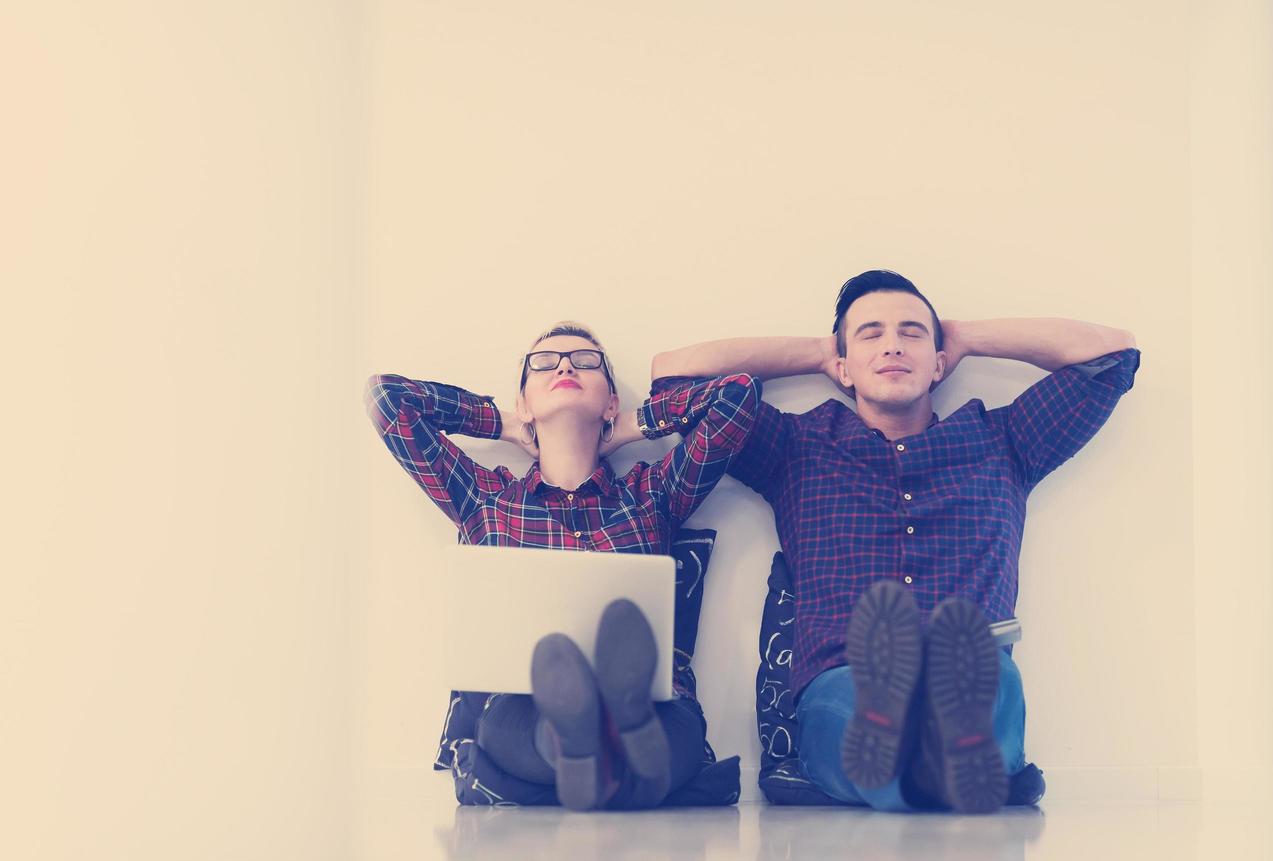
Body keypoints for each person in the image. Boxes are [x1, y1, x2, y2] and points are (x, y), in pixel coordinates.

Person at [651, 270, 1140, 813]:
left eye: (911, 333)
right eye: (870, 334)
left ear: (939, 361)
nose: (892, 345)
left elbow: (1111, 357)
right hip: (846, 683)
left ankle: (948, 763)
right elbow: (674, 379)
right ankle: (943, 772)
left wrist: (968, 337)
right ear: (843, 366)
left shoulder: (1003, 441)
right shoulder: (796, 448)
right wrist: (819, 351)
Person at [365, 322, 760, 810]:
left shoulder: (653, 493)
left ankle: (591, 756)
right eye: (545, 363)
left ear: (610, 401)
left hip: (651, 703)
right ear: (525, 400)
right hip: (526, 703)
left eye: (585, 360)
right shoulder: (485, 498)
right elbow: (386, 399)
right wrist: (504, 423)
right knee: (511, 723)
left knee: (675, 728)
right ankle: (602, 761)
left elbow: (738, 399)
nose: (567, 365)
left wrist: (633, 424)